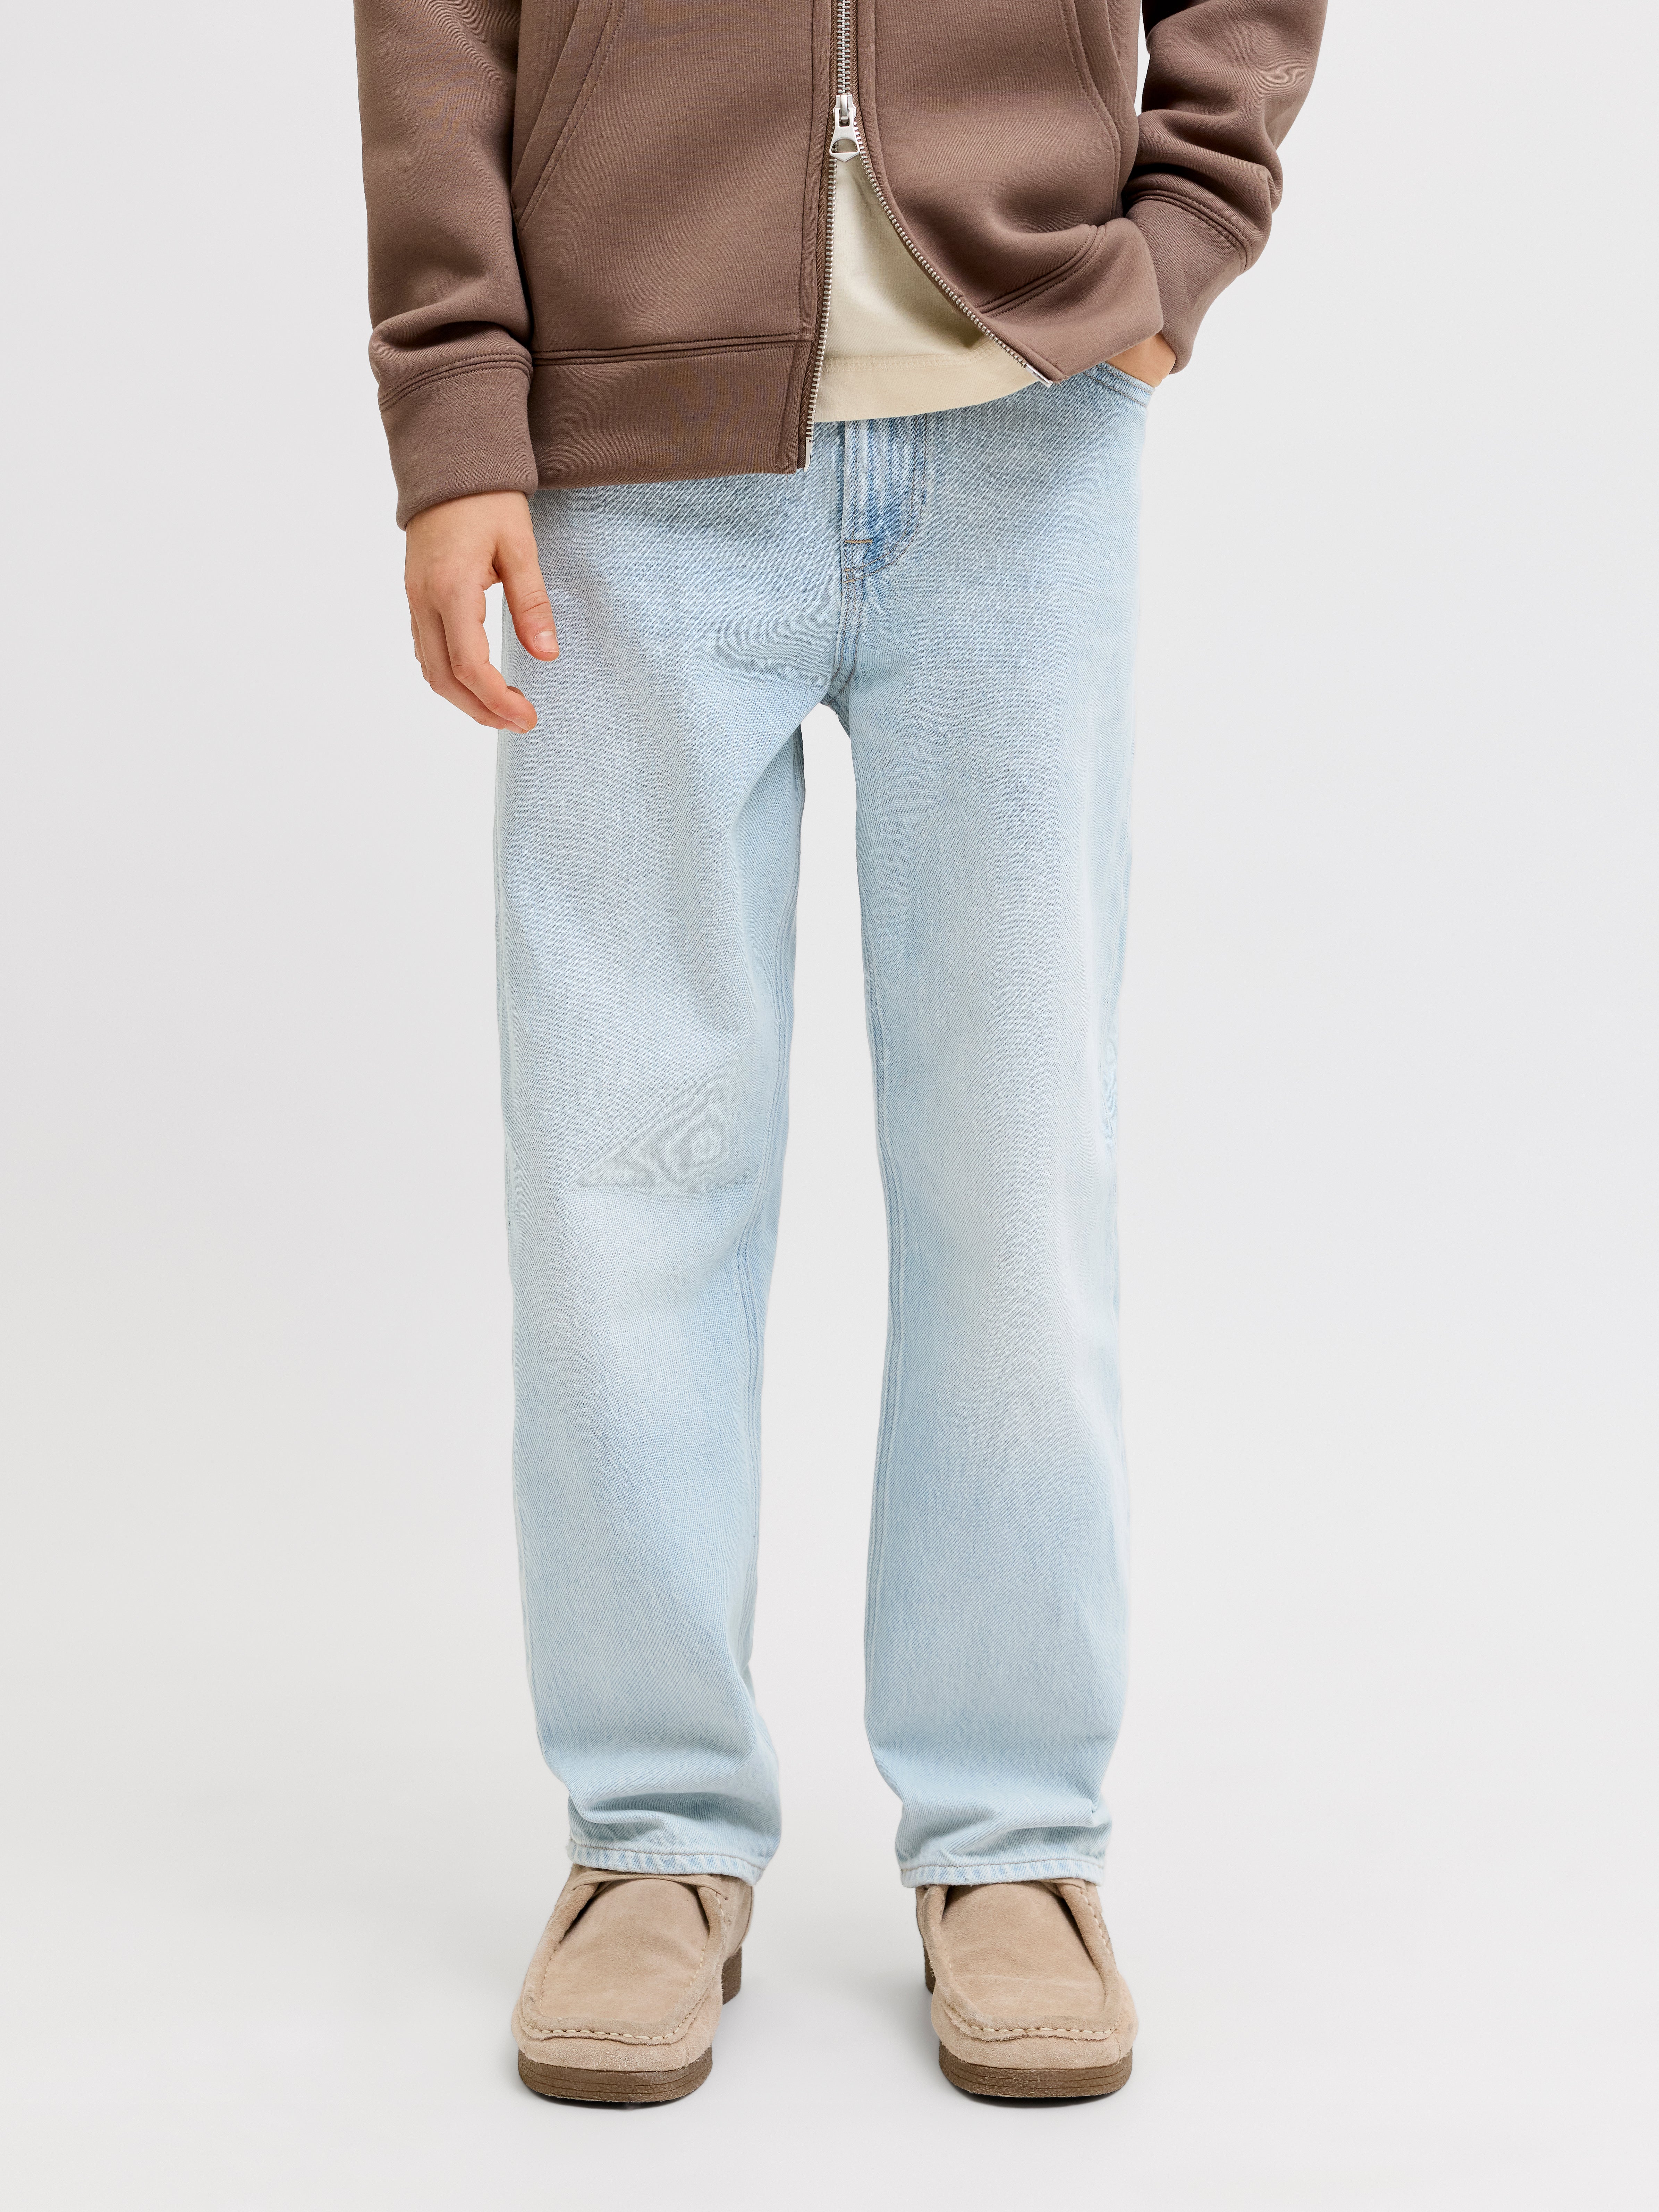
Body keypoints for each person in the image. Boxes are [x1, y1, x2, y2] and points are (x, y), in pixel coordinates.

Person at [353, 0, 1323, 2106]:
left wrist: (1187, 226)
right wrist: (455, 405)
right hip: (624, 457)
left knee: (1014, 1164)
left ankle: (1013, 1836)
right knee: (620, 1171)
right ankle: (652, 1829)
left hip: (1029, 430)